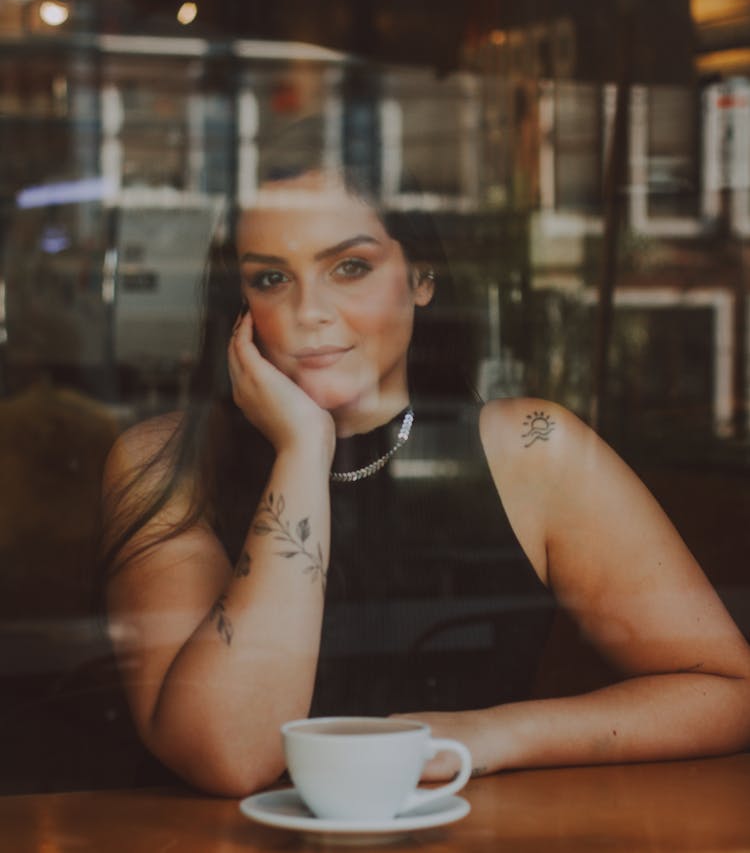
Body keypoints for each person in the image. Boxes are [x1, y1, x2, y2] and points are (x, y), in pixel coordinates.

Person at [101, 142, 750, 798]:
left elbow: (728, 690)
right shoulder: (162, 464)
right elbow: (231, 755)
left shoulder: (533, 451)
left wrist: (496, 734)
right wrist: (301, 450)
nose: (309, 312)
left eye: (350, 266)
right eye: (271, 277)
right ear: (237, 306)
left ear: (422, 277)